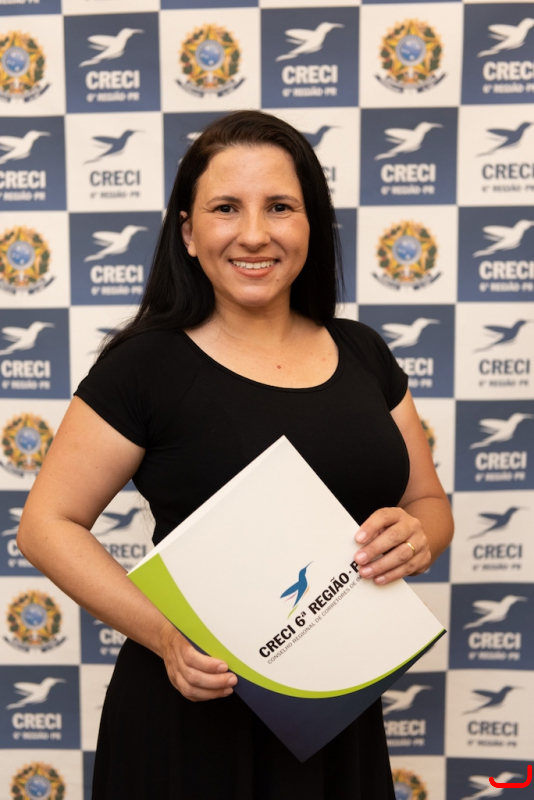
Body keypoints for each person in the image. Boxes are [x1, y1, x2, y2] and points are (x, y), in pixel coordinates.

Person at [18, 110, 453, 799]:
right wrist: (167, 637)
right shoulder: (145, 365)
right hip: (192, 716)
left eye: (280, 206)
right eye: (226, 208)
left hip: (332, 706)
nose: (254, 233)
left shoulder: (364, 354)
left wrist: (418, 535)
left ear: (311, 225)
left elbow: (427, 502)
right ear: (188, 233)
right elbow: (46, 526)